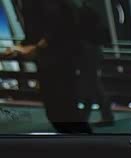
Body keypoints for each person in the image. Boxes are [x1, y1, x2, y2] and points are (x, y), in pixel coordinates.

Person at [1, 0, 91, 133]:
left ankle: (84, 141)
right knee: (57, 111)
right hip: (50, 61)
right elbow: (36, 34)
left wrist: (35, 48)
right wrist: (19, 48)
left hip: (59, 60)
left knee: (64, 111)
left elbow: (58, 27)